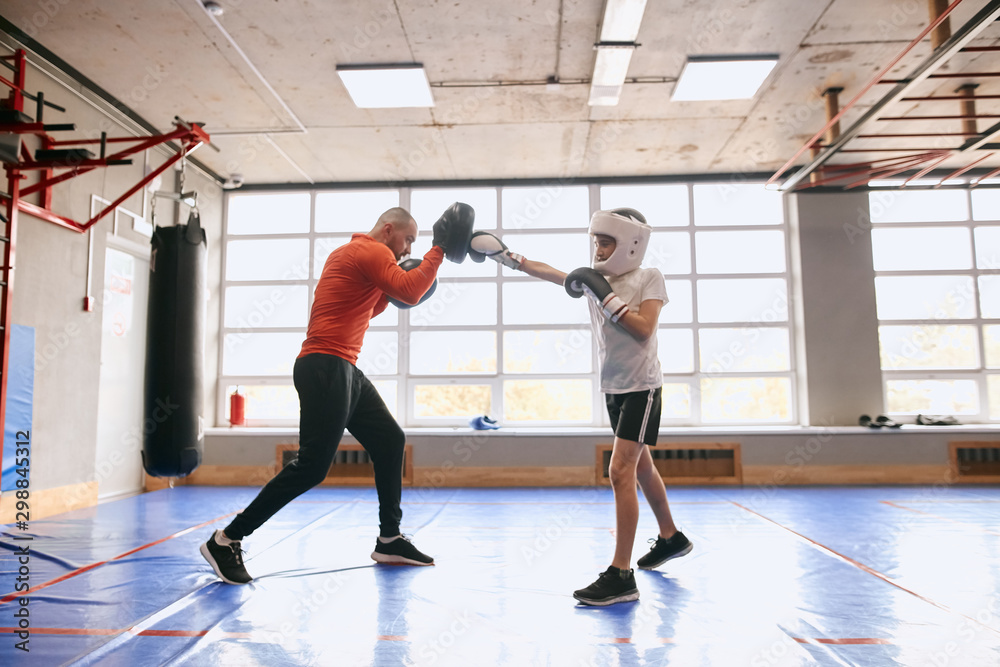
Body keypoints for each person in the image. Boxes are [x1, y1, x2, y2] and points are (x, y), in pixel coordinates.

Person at [202, 205, 466, 584]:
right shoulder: (371, 251)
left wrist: (405, 286)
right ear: (388, 230)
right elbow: (409, 288)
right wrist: (438, 250)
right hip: (326, 366)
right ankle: (226, 540)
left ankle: (389, 538)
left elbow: (378, 304)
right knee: (312, 466)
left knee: (390, 440)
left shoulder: (349, 254)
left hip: (342, 368)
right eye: (408, 239)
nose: (409, 248)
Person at [470, 208, 693, 606]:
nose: (599, 248)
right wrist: (506, 256)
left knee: (620, 469)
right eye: (596, 241)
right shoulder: (596, 280)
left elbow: (644, 328)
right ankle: (671, 537)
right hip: (614, 387)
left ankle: (620, 575)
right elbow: (551, 271)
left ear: (629, 244)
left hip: (643, 388)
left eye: (606, 242)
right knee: (641, 467)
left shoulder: (648, 277)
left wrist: (605, 296)